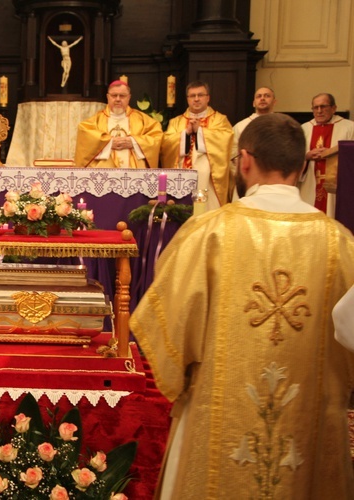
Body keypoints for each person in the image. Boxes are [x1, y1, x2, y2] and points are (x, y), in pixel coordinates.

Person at [132, 113, 354, 499]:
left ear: (245, 160)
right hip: (311, 435)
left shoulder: (210, 232)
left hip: (214, 429)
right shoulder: (341, 244)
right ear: (302, 167)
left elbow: (165, 332)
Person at [160, 81, 233, 211]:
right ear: (188, 99)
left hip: (208, 176)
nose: (196, 99)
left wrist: (201, 131)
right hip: (182, 173)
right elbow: (166, 144)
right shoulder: (176, 122)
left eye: (200, 95)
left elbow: (225, 141)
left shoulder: (220, 119)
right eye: (192, 96)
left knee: (206, 209)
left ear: (208, 98)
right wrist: (185, 133)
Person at [74, 80, 163, 168]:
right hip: (105, 172)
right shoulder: (96, 120)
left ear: (129, 97)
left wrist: (134, 142)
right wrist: (108, 143)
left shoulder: (142, 119)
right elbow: (85, 137)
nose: (118, 99)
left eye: (122, 96)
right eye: (114, 95)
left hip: (134, 174)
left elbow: (156, 137)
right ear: (108, 97)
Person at [299, 92, 354, 216]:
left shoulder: (349, 127)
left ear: (334, 108)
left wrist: (333, 154)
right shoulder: (304, 129)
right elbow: (294, 156)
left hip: (337, 186)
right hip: (310, 184)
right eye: (315, 107)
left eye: (323, 107)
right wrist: (307, 156)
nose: (319, 111)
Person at [229, 87, 277, 200]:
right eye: (259, 96)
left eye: (267, 96)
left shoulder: (282, 124)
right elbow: (231, 156)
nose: (262, 99)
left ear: (274, 102)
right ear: (253, 103)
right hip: (248, 180)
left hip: (274, 180)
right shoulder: (240, 126)